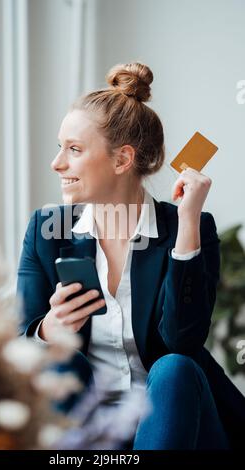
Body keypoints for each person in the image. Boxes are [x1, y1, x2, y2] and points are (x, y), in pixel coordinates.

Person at [17, 62, 245, 449]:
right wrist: (48, 329)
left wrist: (187, 224)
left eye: (74, 150)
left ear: (122, 160)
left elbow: (182, 341)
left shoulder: (190, 227)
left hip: (179, 423)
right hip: (92, 427)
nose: (57, 163)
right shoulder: (45, 231)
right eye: (60, 147)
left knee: (174, 367)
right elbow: (18, 345)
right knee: (56, 358)